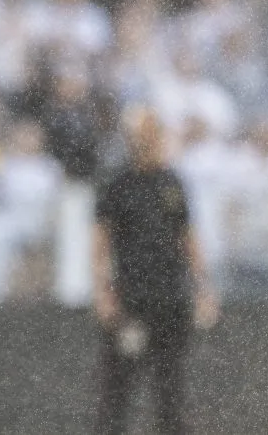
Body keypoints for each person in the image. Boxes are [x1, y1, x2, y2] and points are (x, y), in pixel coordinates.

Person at [92, 107, 218, 435]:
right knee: (117, 390)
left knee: (172, 390)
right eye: (141, 136)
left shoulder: (172, 182)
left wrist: (203, 288)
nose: (148, 142)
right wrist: (103, 292)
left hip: (171, 299)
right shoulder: (117, 183)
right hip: (131, 300)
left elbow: (188, 239)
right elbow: (100, 242)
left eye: (153, 134)